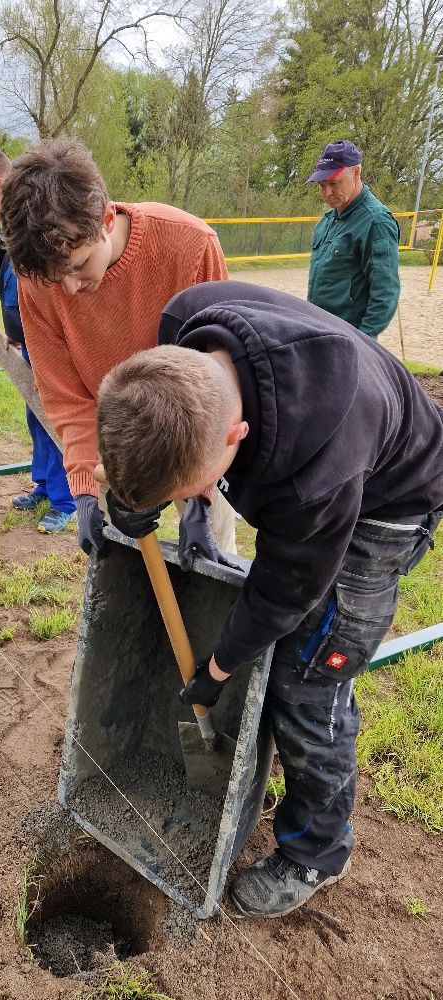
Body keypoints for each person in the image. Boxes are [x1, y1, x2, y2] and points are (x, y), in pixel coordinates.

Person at [95, 280, 443, 918]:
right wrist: (141, 501)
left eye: (197, 486)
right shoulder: (184, 325)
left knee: (308, 680)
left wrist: (220, 666)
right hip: (315, 456)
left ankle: (317, 851)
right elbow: (164, 427)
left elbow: (287, 588)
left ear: (238, 435)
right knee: (285, 656)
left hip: (390, 504)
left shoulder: (318, 475)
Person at [0, 138, 236, 558]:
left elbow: (220, 377)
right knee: (122, 565)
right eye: (54, 278)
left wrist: (200, 494)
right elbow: (65, 395)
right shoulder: (37, 279)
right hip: (110, 439)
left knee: (213, 560)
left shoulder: (191, 245)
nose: (68, 290)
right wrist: (86, 491)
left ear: (106, 219)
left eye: (78, 266)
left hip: (197, 434)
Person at [0, 147, 76, 534]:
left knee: (52, 418)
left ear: (0, 183)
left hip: (50, 345)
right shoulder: (7, 226)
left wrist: (42, 342)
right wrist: (14, 331)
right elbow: (15, 287)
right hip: (27, 341)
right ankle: (44, 486)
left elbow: (51, 291)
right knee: (34, 415)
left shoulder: (36, 222)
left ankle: (65, 500)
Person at [306, 140, 400, 339]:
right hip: (319, 332)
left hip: (348, 339)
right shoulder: (327, 222)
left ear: (356, 173)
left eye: (334, 183)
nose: (327, 193)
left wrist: (362, 342)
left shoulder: (376, 222)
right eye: (322, 185)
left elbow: (385, 293)